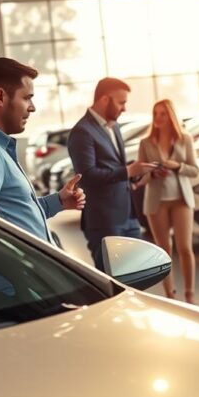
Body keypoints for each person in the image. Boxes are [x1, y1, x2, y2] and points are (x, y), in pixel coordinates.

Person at [0, 57, 85, 289]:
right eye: (27, 97)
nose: (32, 107)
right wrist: (25, 267)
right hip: (16, 287)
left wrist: (58, 201)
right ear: (0, 97)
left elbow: (12, 215)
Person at [68, 77, 147, 271]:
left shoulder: (114, 126)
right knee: (114, 282)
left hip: (128, 216)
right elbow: (87, 175)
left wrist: (135, 174)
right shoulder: (82, 131)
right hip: (104, 221)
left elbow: (113, 165)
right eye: (121, 102)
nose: (124, 108)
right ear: (104, 99)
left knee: (137, 279)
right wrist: (128, 170)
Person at [137, 99, 199, 302]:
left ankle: (190, 295)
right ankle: (170, 296)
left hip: (181, 199)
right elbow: (141, 175)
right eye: (155, 114)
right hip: (157, 203)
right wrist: (153, 174)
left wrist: (177, 166)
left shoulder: (185, 139)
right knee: (164, 251)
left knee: (184, 248)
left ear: (171, 115)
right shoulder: (146, 143)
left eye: (163, 114)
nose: (158, 118)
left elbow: (195, 170)